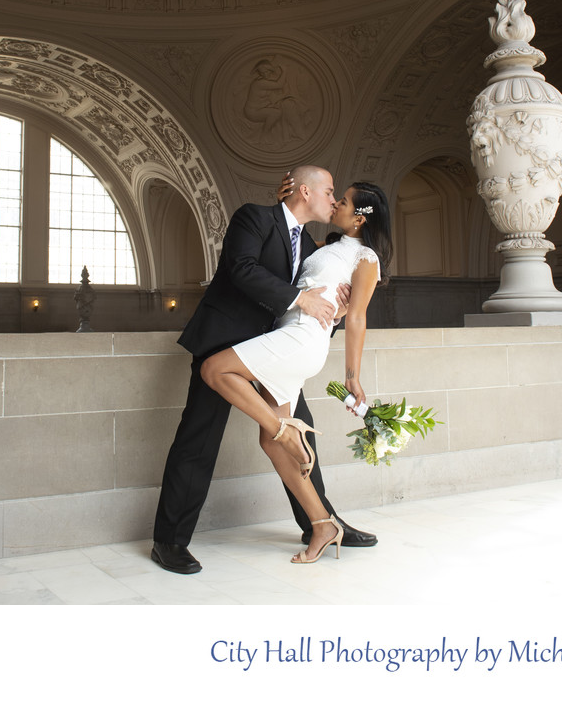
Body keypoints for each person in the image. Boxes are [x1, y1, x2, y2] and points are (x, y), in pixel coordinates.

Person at [151, 165, 380, 574]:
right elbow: (241, 268)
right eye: (330, 192)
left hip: (277, 349)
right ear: (305, 191)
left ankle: (322, 522)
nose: (333, 200)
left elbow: (327, 296)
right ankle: (169, 541)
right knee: (198, 441)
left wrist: (337, 308)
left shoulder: (315, 249)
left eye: (339, 197)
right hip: (224, 340)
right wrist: (300, 299)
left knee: (300, 440)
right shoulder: (254, 217)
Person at [201, 180, 392, 563]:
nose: (335, 204)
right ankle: (322, 523)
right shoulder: (326, 247)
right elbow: (288, 249)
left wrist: (352, 375)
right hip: (288, 333)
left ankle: (287, 431)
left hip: (303, 340)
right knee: (270, 443)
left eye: (343, 201)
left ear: (358, 218)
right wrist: (284, 202)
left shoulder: (366, 258)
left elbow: (356, 318)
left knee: (215, 370)